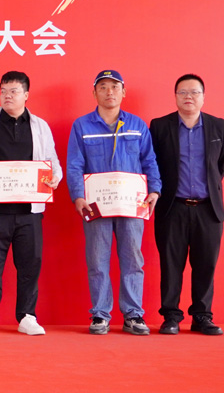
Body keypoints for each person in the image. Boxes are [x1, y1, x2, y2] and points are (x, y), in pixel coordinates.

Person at [0, 71, 62, 336]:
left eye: (14, 91)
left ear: (26, 95)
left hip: (30, 209)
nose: (7, 96)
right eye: (3, 91)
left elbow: (53, 160)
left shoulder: (40, 126)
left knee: (30, 264)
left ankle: (27, 316)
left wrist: (56, 177)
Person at [66, 70, 161, 336]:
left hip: (132, 203)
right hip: (95, 205)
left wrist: (154, 190)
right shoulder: (82, 126)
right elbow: (74, 164)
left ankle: (133, 315)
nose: (109, 92)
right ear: (94, 93)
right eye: (103, 87)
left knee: (133, 259)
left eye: (115, 87)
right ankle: (100, 314)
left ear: (123, 92)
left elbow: (149, 160)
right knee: (97, 260)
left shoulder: (137, 125)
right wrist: (78, 195)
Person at [150, 74, 224, 335]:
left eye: (195, 92)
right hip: (172, 207)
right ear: (175, 96)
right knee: (171, 264)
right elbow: (153, 163)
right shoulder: (159, 126)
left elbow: (221, 165)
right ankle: (171, 316)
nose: (189, 97)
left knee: (206, 264)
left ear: (203, 97)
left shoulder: (219, 126)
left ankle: (202, 316)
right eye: (183, 92)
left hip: (208, 208)